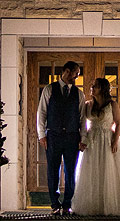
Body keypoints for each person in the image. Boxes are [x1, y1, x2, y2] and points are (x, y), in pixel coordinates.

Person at [71, 77, 120, 216]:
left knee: (109, 170)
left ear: (102, 88)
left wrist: (114, 141)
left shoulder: (112, 104)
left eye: (94, 86)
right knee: (92, 171)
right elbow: (82, 124)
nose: (92, 88)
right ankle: (94, 205)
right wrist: (83, 139)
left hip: (108, 138)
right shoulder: (88, 105)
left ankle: (111, 204)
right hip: (93, 139)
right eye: (92, 86)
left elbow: (118, 123)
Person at [36, 61, 83, 216]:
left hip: (72, 136)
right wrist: (41, 135)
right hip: (54, 136)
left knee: (71, 170)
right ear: (67, 71)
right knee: (52, 170)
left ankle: (67, 204)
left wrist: (83, 138)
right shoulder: (49, 89)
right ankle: (54, 204)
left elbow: (83, 118)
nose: (77, 76)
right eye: (76, 73)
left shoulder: (79, 93)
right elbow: (41, 112)